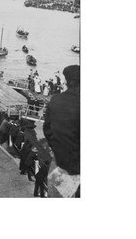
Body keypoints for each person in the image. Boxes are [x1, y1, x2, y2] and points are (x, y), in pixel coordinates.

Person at [43, 65, 80, 197]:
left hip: (62, 162)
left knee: (57, 196)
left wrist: (58, 148)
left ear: (67, 81)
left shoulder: (56, 100)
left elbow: (47, 130)